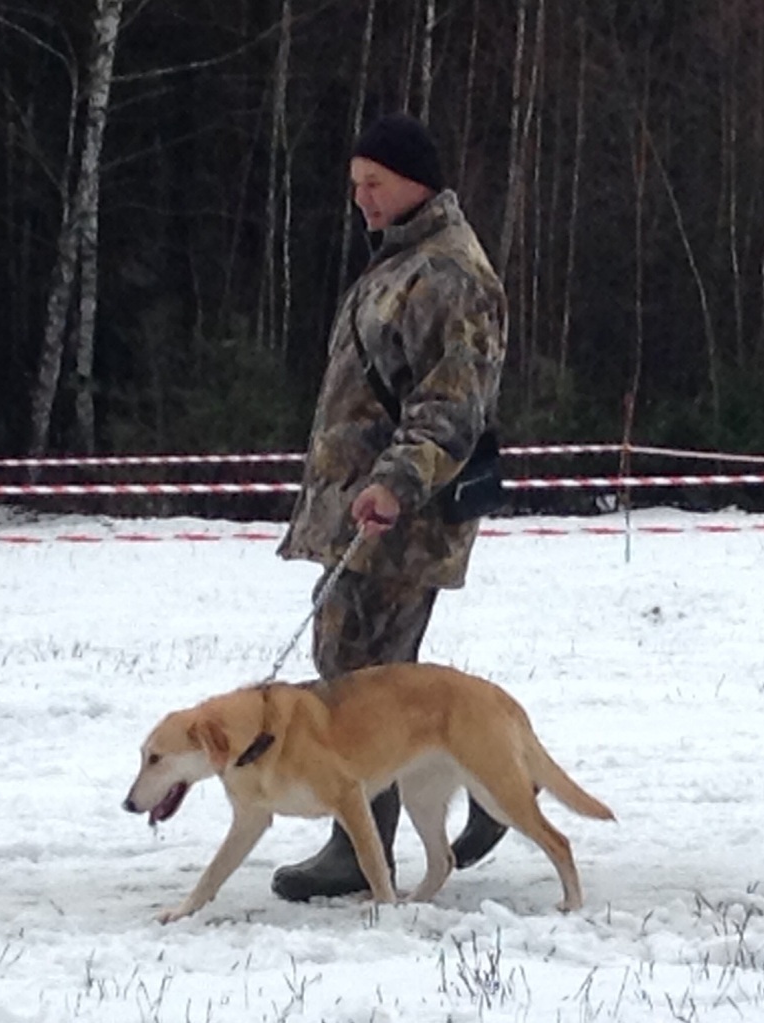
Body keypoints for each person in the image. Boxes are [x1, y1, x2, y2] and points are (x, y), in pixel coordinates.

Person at [274, 111, 509, 902]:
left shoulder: (449, 274)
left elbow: (450, 408)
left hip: (402, 517)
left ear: (415, 179)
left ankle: (362, 840)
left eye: (373, 184)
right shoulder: (400, 263)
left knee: (360, 680)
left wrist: (393, 484)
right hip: (362, 508)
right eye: (354, 186)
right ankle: (481, 790)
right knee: (366, 676)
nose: (362, 201)